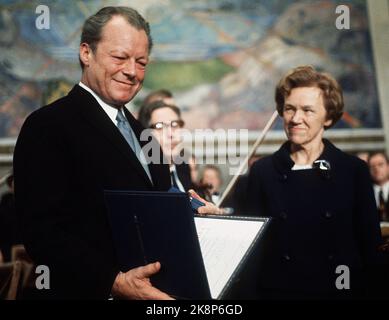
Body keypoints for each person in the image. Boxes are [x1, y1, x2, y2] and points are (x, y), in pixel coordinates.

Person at [13, 6, 216, 300]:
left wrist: (193, 209)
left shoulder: (142, 132)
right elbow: (43, 233)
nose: (132, 71)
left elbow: (151, 200)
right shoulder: (47, 126)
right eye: (119, 57)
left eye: (141, 62)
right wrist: (115, 282)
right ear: (86, 52)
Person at [246, 65, 383, 299]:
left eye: (307, 110)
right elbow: (250, 248)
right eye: (289, 109)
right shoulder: (262, 171)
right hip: (278, 294)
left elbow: (369, 249)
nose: (296, 118)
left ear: (328, 117)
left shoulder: (353, 170)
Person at [138, 100, 194, 192]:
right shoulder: (142, 175)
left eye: (175, 125)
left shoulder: (183, 167)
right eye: (159, 127)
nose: (170, 134)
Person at [368, 152, 389, 222]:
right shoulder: (364, 193)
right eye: (372, 166)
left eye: (380, 165)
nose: (376, 169)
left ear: (388, 166)